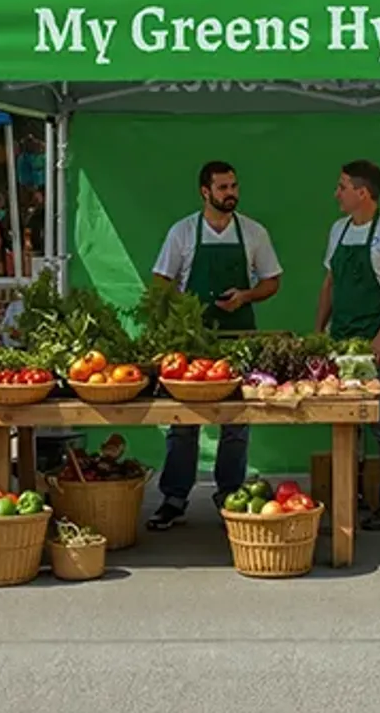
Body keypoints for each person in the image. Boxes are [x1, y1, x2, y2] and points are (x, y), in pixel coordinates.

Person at [147, 161, 284, 530]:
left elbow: (273, 281)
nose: (231, 193)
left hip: (238, 338)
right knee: (183, 422)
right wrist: (179, 314)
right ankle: (174, 497)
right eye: (223, 187)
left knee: (236, 420)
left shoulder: (254, 233)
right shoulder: (182, 233)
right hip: (191, 342)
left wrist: (246, 296)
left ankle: (230, 493)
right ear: (204, 192)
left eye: (234, 186)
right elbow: (161, 280)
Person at [316, 160, 380, 532]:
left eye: (342, 187)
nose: (336, 193)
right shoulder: (338, 230)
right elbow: (330, 285)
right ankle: (350, 492)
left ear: (363, 193)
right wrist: (318, 332)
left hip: (378, 346)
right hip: (342, 342)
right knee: (346, 423)